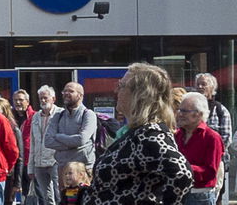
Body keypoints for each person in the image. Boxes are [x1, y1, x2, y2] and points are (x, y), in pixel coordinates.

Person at [80, 63, 191, 205]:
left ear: (140, 95)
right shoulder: (138, 133)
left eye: (122, 85)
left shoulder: (151, 135)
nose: (116, 90)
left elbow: (182, 173)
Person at [172, 92, 224, 205]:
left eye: (184, 111)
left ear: (199, 114)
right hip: (178, 193)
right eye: (179, 110)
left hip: (199, 196)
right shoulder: (177, 135)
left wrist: (182, 168)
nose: (179, 114)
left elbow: (210, 172)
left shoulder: (212, 137)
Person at [44, 84, 96, 171]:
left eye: (71, 91)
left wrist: (58, 136)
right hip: (62, 167)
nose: (66, 93)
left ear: (80, 95)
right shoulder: (58, 116)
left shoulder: (88, 115)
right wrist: (72, 145)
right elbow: (48, 141)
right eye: (65, 91)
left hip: (83, 167)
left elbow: (81, 139)